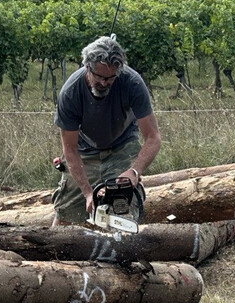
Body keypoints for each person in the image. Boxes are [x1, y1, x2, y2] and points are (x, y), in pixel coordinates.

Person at [52, 35, 162, 226]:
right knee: (65, 214)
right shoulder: (71, 92)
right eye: (100, 77)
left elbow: (153, 138)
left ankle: (123, 248)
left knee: (123, 207)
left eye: (111, 78)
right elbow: (69, 149)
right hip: (84, 151)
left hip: (122, 147)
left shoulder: (132, 83)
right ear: (87, 67)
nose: (104, 83)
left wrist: (134, 172)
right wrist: (87, 193)